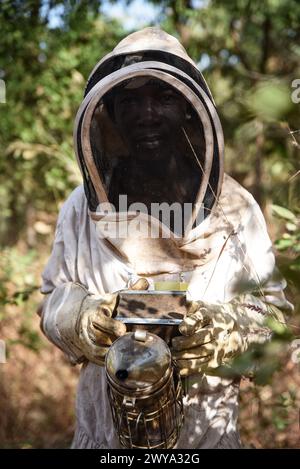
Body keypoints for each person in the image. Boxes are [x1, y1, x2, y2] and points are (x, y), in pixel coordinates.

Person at [39, 27, 292, 449]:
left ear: (191, 109)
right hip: (104, 440)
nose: (147, 114)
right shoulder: (81, 208)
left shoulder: (236, 209)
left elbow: (274, 317)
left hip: (206, 438)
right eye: (130, 101)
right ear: (111, 114)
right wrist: (80, 317)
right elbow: (52, 299)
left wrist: (223, 331)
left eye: (164, 97)